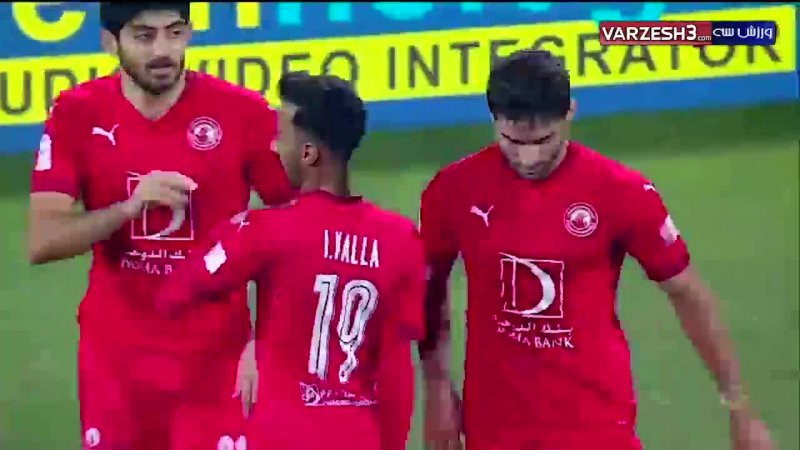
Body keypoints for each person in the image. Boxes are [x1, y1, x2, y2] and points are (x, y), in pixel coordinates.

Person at [418, 49, 775, 450]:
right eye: (512, 141)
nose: (528, 158)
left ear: (570, 111)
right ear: (493, 119)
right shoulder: (452, 190)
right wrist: (437, 388)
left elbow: (687, 293)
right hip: (494, 428)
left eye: (543, 140)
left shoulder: (621, 191)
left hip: (596, 426)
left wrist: (739, 407)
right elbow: (428, 290)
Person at [27, 3, 293, 449]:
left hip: (218, 363)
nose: (163, 50)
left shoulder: (243, 112)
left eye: (174, 32)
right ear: (110, 42)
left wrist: (268, 342)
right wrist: (127, 209)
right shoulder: (76, 113)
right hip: (117, 364)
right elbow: (44, 239)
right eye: (144, 36)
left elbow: (300, 227)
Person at [154, 72, 425, 450]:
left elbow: (176, 292)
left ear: (308, 153)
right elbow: (396, 371)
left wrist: (224, 229)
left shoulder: (263, 230)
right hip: (357, 437)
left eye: (281, 136)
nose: (273, 146)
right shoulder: (401, 239)